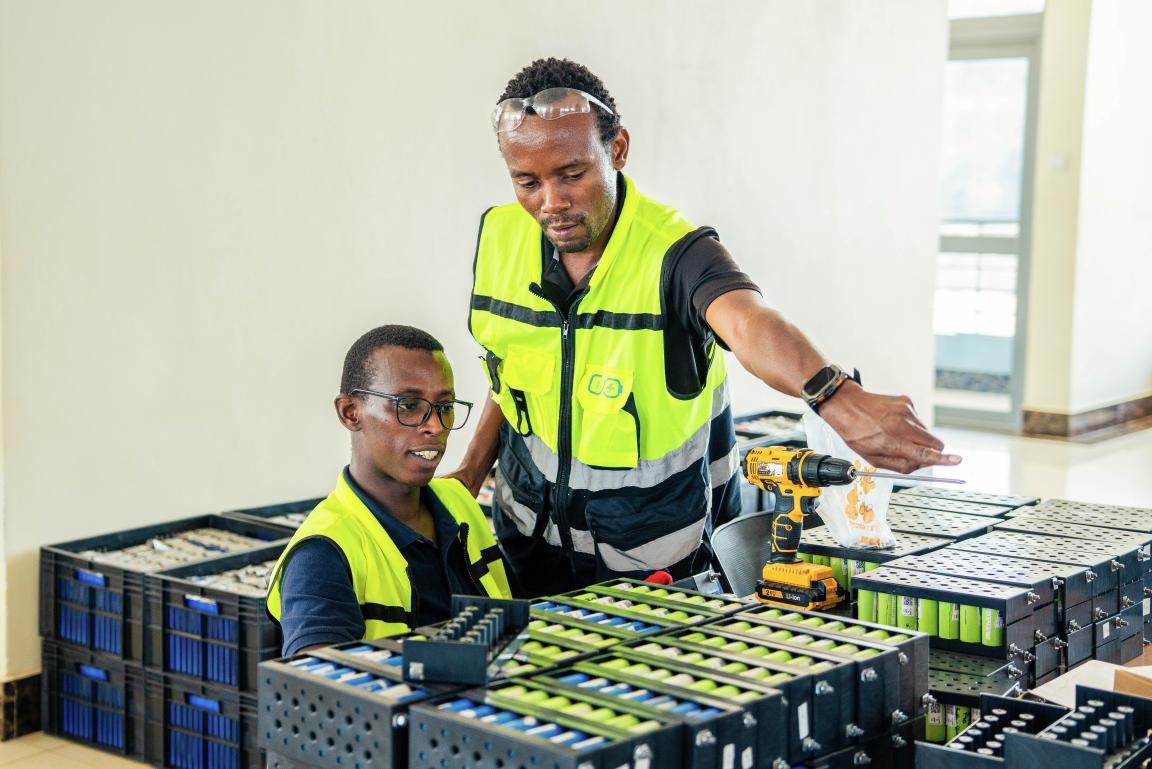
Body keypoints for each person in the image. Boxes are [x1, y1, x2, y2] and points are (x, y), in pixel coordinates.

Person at [448, 58, 961, 597]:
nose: (551, 202)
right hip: (526, 547)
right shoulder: (500, 238)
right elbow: (512, 367)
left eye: (572, 174)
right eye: (527, 182)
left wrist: (835, 397)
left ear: (617, 149)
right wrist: (471, 471)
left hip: (658, 566)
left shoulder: (678, 251)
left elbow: (747, 322)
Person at [267, 325, 511, 654]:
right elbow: (319, 694)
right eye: (408, 405)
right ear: (350, 412)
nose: (435, 426)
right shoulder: (322, 555)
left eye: (445, 406)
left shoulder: (457, 502)